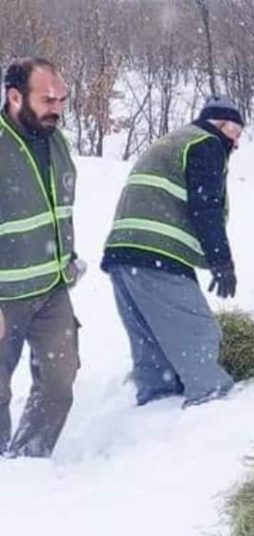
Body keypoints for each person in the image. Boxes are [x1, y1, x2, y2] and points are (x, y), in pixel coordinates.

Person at [102, 96, 244, 407]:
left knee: (151, 343)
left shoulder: (175, 140)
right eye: (236, 133)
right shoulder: (206, 143)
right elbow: (206, 206)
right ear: (221, 124)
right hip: (156, 253)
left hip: (124, 254)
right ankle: (210, 398)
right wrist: (222, 261)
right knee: (199, 332)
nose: (236, 143)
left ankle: (156, 404)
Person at [0, 57, 81, 458]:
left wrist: (68, 256)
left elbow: (59, 208)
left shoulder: (56, 141)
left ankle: (28, 460)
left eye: (62, 99)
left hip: (51, 288)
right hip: (4, 295)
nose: (58, 108)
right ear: (15, 97)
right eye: (48, 99)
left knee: (59, 380)